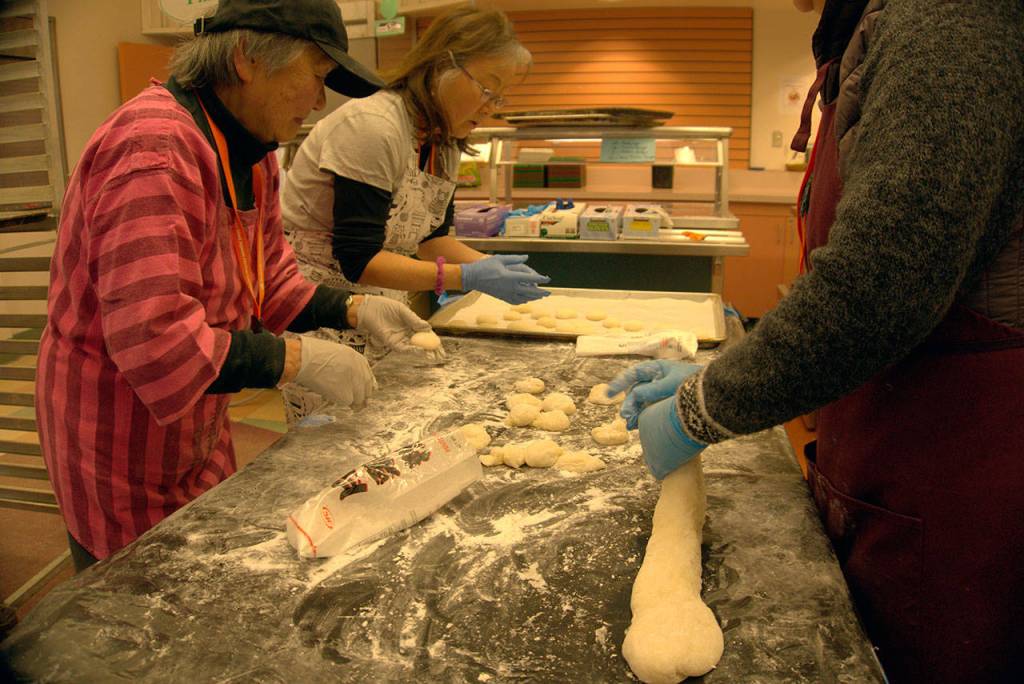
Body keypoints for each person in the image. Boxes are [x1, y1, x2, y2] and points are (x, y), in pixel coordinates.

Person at [608, 1, 1024, 682]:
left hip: (967, 477)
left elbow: (884, 277)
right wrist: (724, 370)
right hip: (894, 446)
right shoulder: (870, 28)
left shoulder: (948, 22)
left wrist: (701, 408)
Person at [34, 0, 434, 572]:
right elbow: (156, 342)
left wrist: (353, 309)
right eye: (316, 77)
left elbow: (270, 285)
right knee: (132, 605)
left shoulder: (252, 156)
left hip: (198, 424)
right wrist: (295, 359)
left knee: (205, 566)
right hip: (118, 439)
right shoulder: (152, 149)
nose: (319, 102)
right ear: (247, 58)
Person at [278, 6, 549, 422]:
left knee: (381, 435)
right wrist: (464, 277)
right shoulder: (373, 127)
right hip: (322, 310)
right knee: (332, 447)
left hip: (383, 309)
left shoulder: (443, 140)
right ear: (444, 66)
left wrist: (489, 266)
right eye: (488, 89)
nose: (493, 107)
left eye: (501, 97)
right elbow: (358, 258)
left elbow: (429, 239)